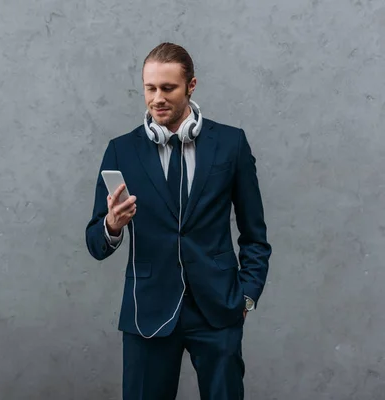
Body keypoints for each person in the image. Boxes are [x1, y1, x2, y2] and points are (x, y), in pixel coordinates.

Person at [85, 42, 272, 400]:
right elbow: (94, 243)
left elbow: (255, 234)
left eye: (168, 88)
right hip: (147, 312)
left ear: (191, 85)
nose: (157, 98)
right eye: (150, 88)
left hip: (218, 310)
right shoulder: (121, 150)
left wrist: (246, 298)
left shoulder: (230, 144)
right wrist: (112, 225)